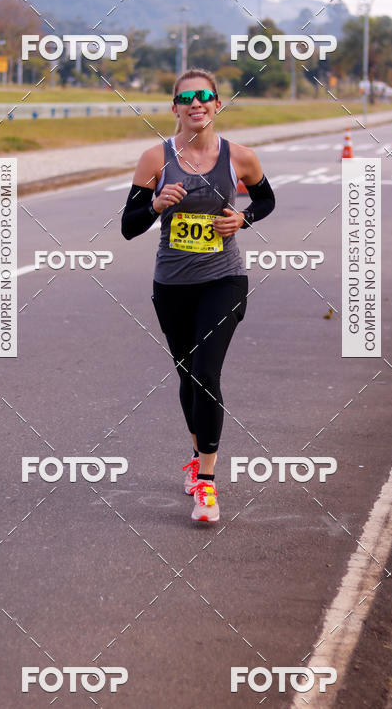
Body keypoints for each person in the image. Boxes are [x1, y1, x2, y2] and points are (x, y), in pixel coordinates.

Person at [121, 68, 275, 523]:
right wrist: (154, 204)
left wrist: (243, 220)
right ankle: (196, 453)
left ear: (216, 105)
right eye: (186, 97)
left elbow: (266, 201)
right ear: (174, 108)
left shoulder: (240, 158)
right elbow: (129, 227)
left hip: (223, 279)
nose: (196, 103)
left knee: (206, 372)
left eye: (204, 96)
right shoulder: (155, 159)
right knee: (189, 376)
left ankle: (206, 484)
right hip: (171, 285)